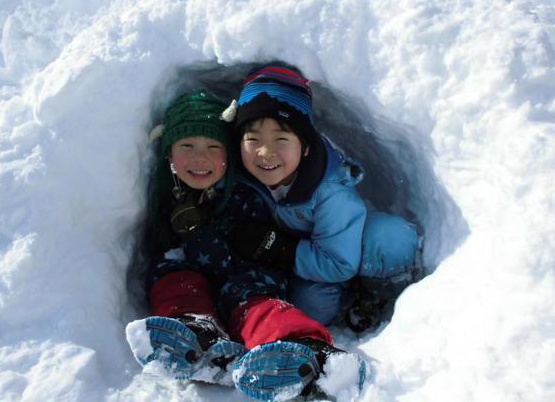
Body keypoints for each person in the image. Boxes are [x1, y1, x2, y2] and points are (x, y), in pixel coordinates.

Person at [125, 90, 366, 400]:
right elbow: (159, 248)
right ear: (169, 155)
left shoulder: (243, 192)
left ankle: (306, 350)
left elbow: (234, 257)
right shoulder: (165, 196)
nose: (201, 158)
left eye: (214, 147)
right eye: (187, 146)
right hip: (193, 278)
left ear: (230, 154)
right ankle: (195, 333)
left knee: (259, 307)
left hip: (245, 276)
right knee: (172, 276)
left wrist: (200, 233)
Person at [222, 63, 421, 331]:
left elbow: (339, 263)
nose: (265, 152)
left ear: (305, 147)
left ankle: (377, 292)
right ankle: (345, 299)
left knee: (391, 241)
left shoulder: (330, 190)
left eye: (281, 139)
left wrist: (282, 249)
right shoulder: (244, 175)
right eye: (253, 140)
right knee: (309, 308)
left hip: (349, 246)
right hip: (311, 256)